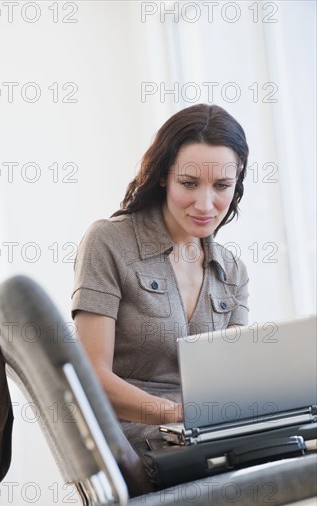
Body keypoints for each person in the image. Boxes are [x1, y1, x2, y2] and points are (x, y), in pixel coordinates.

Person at [71, 103, 249, 448]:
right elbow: (91, 376)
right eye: (189, 183)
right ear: (163, 176)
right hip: (135, 440)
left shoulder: (233, 271)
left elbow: (228, 381)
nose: (205, 203)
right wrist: (175, 415)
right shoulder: (108, 242)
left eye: (222, 185)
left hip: (205, 437)